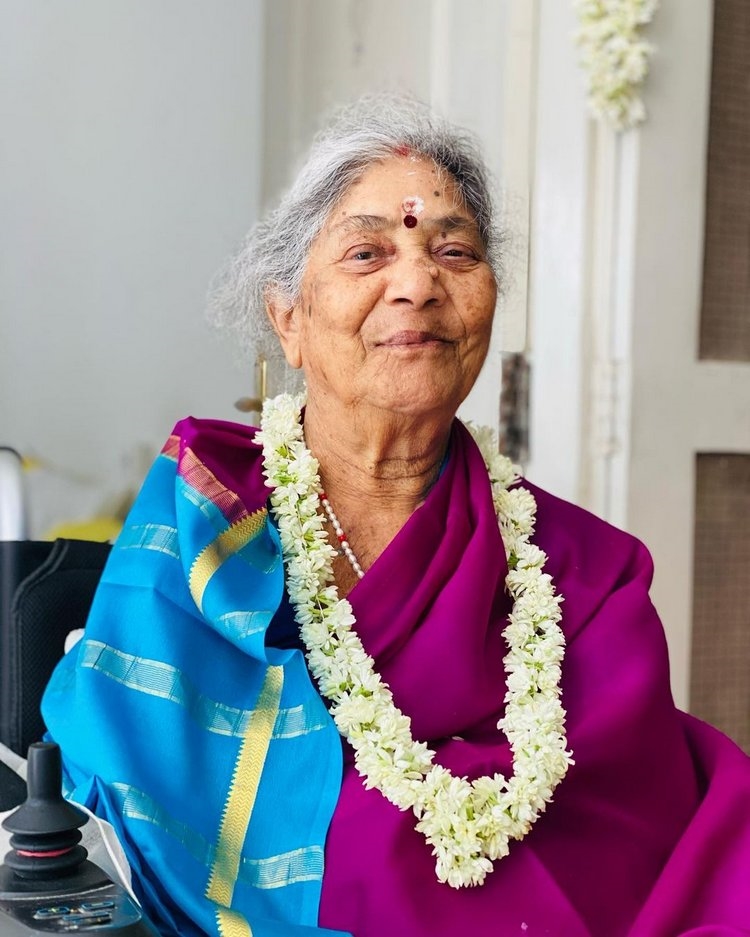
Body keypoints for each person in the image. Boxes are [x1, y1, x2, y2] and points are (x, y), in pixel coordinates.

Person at [42, 95, 750, 937]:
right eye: (367, 251)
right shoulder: (209, 520)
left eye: (453, 249)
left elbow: (625, 837)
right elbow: (130, 774)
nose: (417, 283)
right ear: (288, 317)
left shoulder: (585, 575)